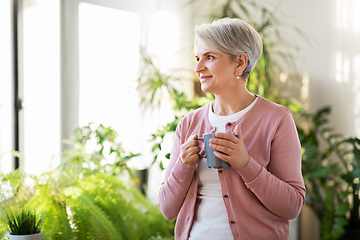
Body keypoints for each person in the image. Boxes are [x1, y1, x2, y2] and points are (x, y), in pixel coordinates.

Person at [158, 18, 305, 240]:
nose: (198, 68)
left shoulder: (276, 119)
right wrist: (183, 166)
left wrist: (246, 165)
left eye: (210, 57)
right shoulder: (189, 123)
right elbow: (167, 210)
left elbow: (292, 206)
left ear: (240, 63)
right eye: (198, 58)